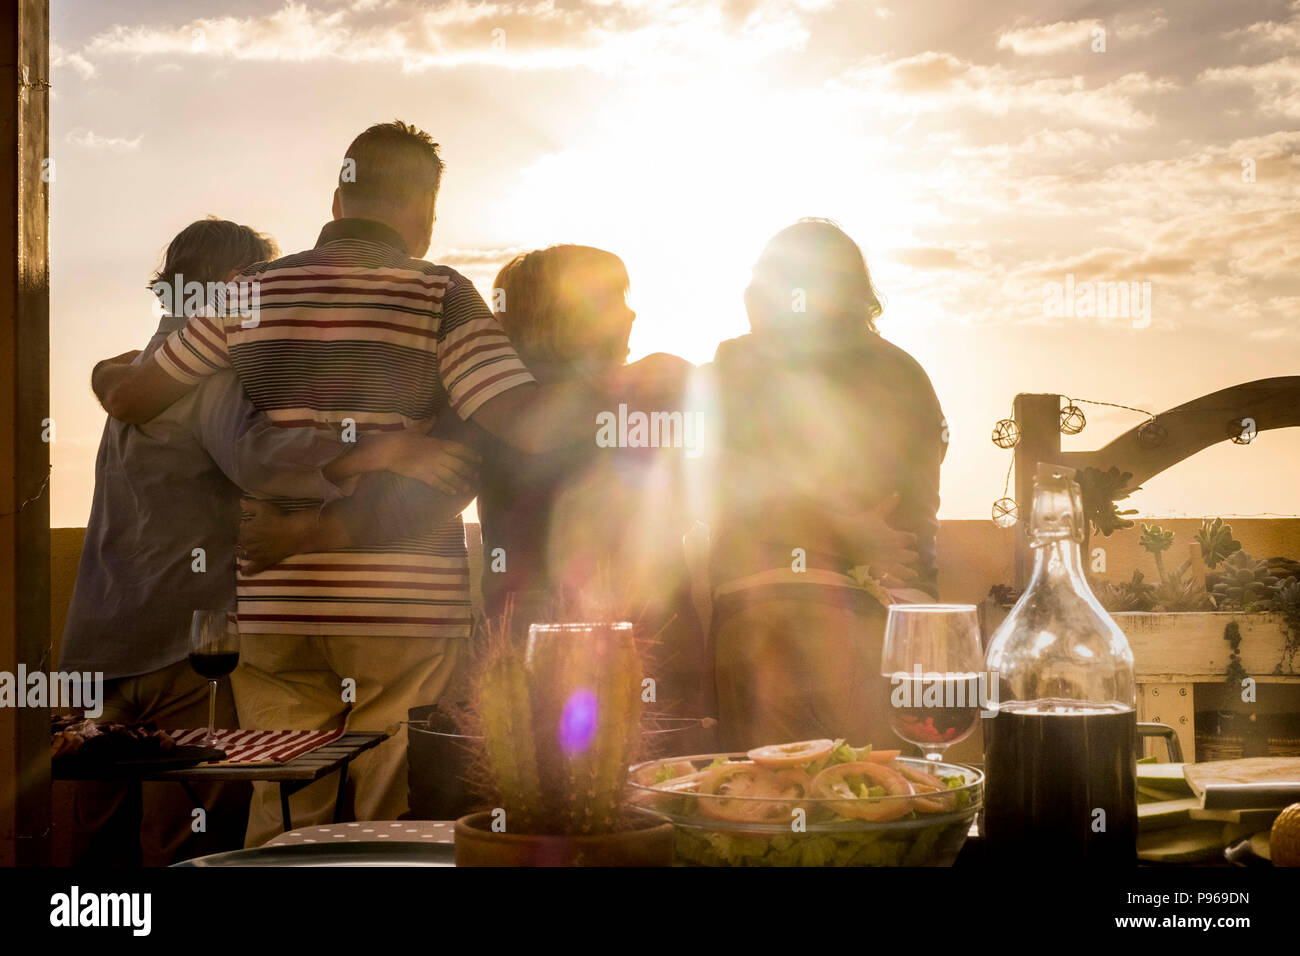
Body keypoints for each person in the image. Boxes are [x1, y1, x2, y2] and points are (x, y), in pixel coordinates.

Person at [89, 122, 685, 845]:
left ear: (338, 197)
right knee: (385, 813)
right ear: (426, 211)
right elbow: (524, 423)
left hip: (275, 600)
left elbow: (138, 400)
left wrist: (110, 373)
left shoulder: (244, 291)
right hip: (399, 608)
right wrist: (627, 387)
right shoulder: (442, 294)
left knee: (282, 807)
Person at [60, 218, 473, 865]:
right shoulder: (211, 379)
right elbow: (262, 459)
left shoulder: (133, 376)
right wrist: (380, 449)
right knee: (187, 842)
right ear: (233, 286)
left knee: (95, 843)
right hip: (186, 651)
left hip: (101, 642)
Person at [701, 218, 947, 751]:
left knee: (771, 805)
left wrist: (832, 532)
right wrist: (847, 530)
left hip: (787, 608)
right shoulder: (905, 370)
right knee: (872, 808)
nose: (752, 290)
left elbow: (728, 486)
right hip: (899, 625)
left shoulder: (740, 363)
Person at [474, 245, 710, 725]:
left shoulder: (492, 403)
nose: (631, 313)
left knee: (538, 786)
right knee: (657, 783)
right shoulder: (642, 394)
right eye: (616, 299)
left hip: (525, 632)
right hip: (638, 635)